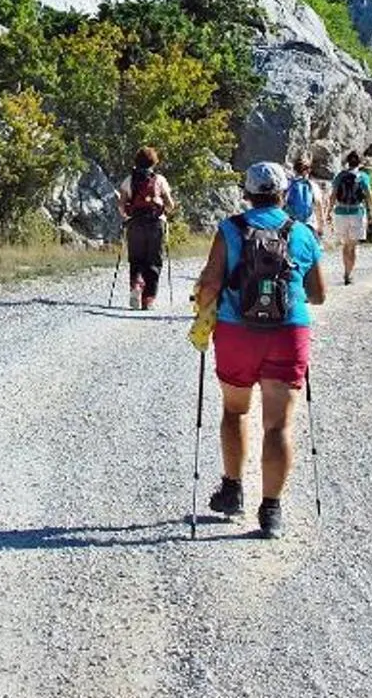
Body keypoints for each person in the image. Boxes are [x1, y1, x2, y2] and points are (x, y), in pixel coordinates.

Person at [188, 161, 329, 536]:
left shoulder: (230, 229)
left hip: (237, 332)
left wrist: (201, 304)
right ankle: (271, 512)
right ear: (283, 194)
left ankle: (232, 490)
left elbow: (210, 285)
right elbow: (318, 294)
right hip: (288, 332)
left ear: (247, 194)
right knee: (279, 424)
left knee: (235, 411)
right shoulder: (301, 232)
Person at [116, 146, 174, 310]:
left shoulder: (129, 180)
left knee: (136, 260)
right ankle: (148, 299)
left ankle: (136, 284)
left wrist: (127, 216)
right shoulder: (160, 180)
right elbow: (170, 205)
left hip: (135, 223)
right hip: (156, 224)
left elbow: (121, 205)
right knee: (154, 261)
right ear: (153, 162)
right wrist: (162, 207)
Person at [328, 149, 372, 285]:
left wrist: (329, 211)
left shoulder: (340, 176)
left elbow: (333, 195)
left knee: (345, 245)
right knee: (353, 246)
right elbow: (370, 196)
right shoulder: (362, 176)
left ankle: (346, 271)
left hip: (341, 212)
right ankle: (348, 274)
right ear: (361, 162)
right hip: (357, 212)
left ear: (347, 161)